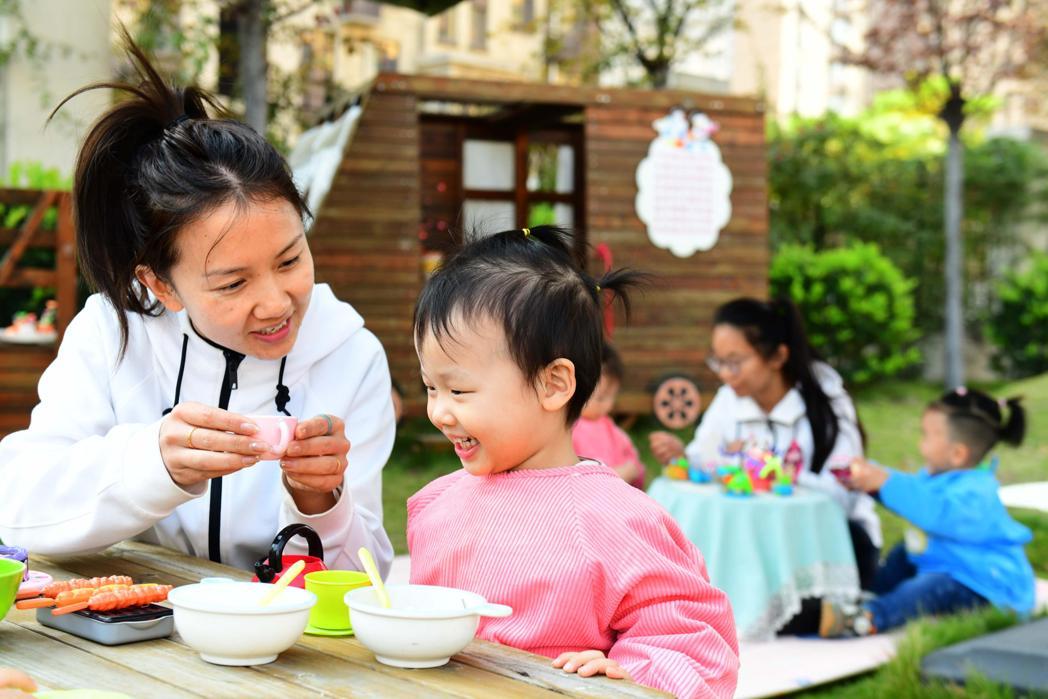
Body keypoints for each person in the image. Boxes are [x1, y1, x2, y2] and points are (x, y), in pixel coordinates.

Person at [0, 34, 395, 577]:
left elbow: (366, 579)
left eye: (289, 260)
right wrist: (154, 462)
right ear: (160, 286)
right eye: (232, 284)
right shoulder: (113, 333)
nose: (275, 303)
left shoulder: (351, 355)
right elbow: (18, 508)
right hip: (130, 617)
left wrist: (321, 503)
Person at [407, 225, 739, 698]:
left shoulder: (617, 520)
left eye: (458, 390)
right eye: (430, 387)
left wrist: (629, 675)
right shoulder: (437, 504)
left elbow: (691, 637)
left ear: (554, 384)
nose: (439, 412)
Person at [649, 298, 880, 633]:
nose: (725, 374)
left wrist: (780, 478)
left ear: (777, 357)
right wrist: (681, 456)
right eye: (719, 361)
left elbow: (844, 493)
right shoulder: (730, 400)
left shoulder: (824, 403)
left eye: (736, 362)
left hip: (821, 542)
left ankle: (819, 611)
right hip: (753, 543)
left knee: (748, 606)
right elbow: (705, 459)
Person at [821, 388, 1035, 637]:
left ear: (957, 454)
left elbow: (933, 511)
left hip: (980, 582)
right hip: (943, 560)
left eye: (927, 436)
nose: (920, 444)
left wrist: (884, 482)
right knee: (903, 553)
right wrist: (872, 481)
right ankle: (872, 593)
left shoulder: (976, 492)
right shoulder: (938, 478)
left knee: (926, 590)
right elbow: (914, 494)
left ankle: (868, 617)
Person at [571, 342, 646, 489]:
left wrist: (633, 468)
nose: (608, 404)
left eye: (612, 396)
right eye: (600, 398)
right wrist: (620, 474)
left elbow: (630, 455)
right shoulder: (572, 429)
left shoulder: (607, 424)